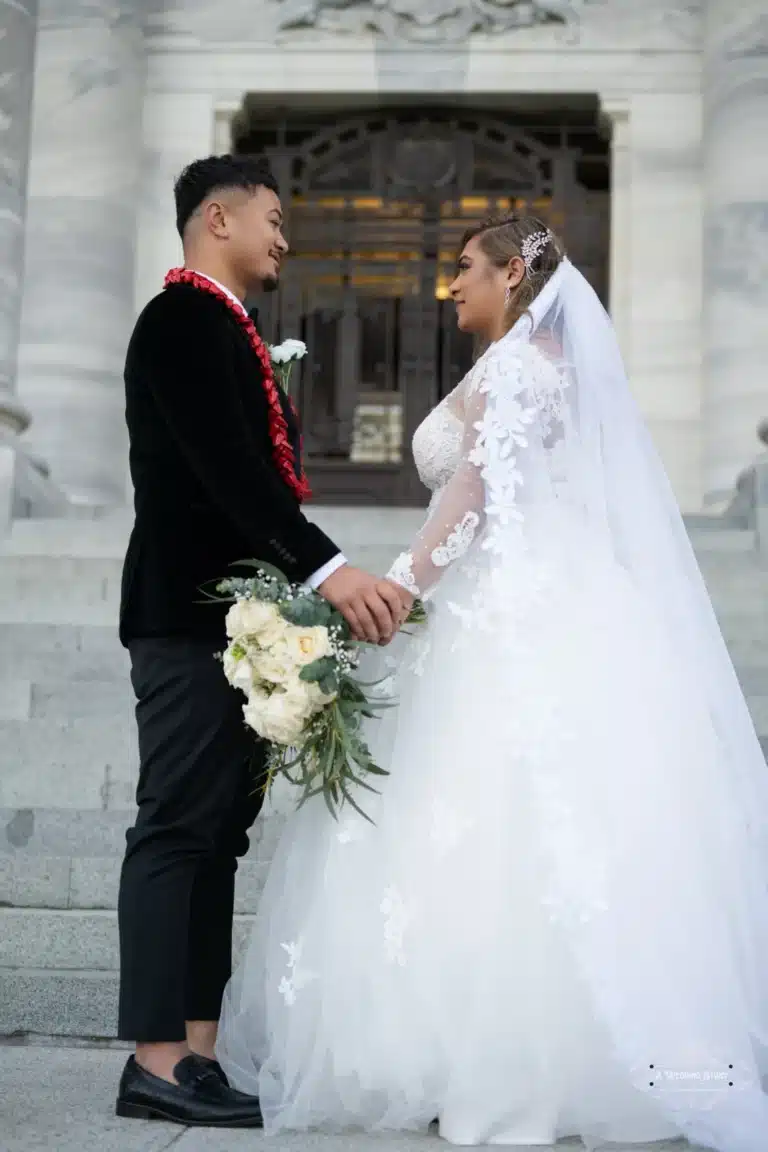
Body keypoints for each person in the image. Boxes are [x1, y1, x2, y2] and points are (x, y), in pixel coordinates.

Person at [217, 214, 768, 1150]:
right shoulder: (538, 368)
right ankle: (552, 1056)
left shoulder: (518, 370)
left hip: (506, 614)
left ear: (514, 273)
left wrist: (395, 588)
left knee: (500, 816)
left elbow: (470, 497)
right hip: (542, 599)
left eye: (464, 269)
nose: (450, 287)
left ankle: (499, 1062)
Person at [115, 153, 410, 1128]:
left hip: (239, 623)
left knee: (217, 838)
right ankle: (156, 1059)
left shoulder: (227, 327)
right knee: (176, 828)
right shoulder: (181, 321)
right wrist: (330, 571)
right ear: (216, 220)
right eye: (273, 218)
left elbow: (254, 483)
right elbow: (232, 474)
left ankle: (195, 1052)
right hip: (186, 616)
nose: (285, 237)